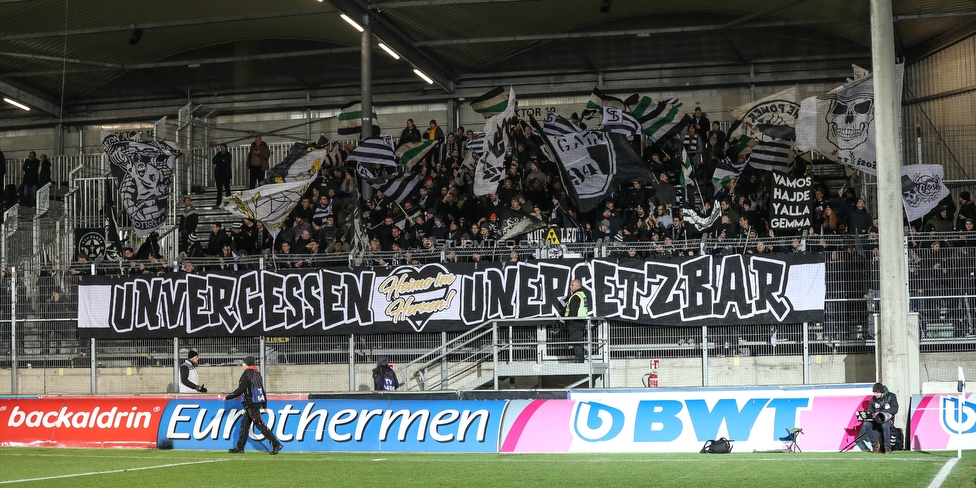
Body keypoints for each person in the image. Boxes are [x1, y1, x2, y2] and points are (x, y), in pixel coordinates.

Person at [225, 355, 283, 455]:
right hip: (256, 403)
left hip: (250, 404)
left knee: (259, 425)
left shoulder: (247, 374)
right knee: (244, 425)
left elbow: (241, 389)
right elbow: (262, 390)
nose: (242, 364)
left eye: (243, 362)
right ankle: (240, 448)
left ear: (247, 364)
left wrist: (229, 396)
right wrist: (264, 404)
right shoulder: (257, 374)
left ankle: (275, 443)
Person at [859, 382, 899, 454]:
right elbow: (870, 410)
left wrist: (882, 412)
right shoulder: (873, 399)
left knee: (885, 425)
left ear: (881, 391)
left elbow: (895, 409)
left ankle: (887, 447)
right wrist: (866, 415)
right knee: (866, 424)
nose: (875, 395)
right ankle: (874, 444)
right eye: (874, 393)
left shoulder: (891, 396)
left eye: (877, 393)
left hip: (886, 419)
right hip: (875, 420)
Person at [564, 279, 589, 363]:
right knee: (578, 343)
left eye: (572, 285)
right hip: (580, 322)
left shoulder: (576, 296)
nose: (570, 287)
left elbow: (572, 311)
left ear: (578, 286)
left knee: (577, 344)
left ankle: (579, 362)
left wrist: (568, 322)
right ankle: (580, 360)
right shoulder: (582, 295)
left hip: (575, 323)